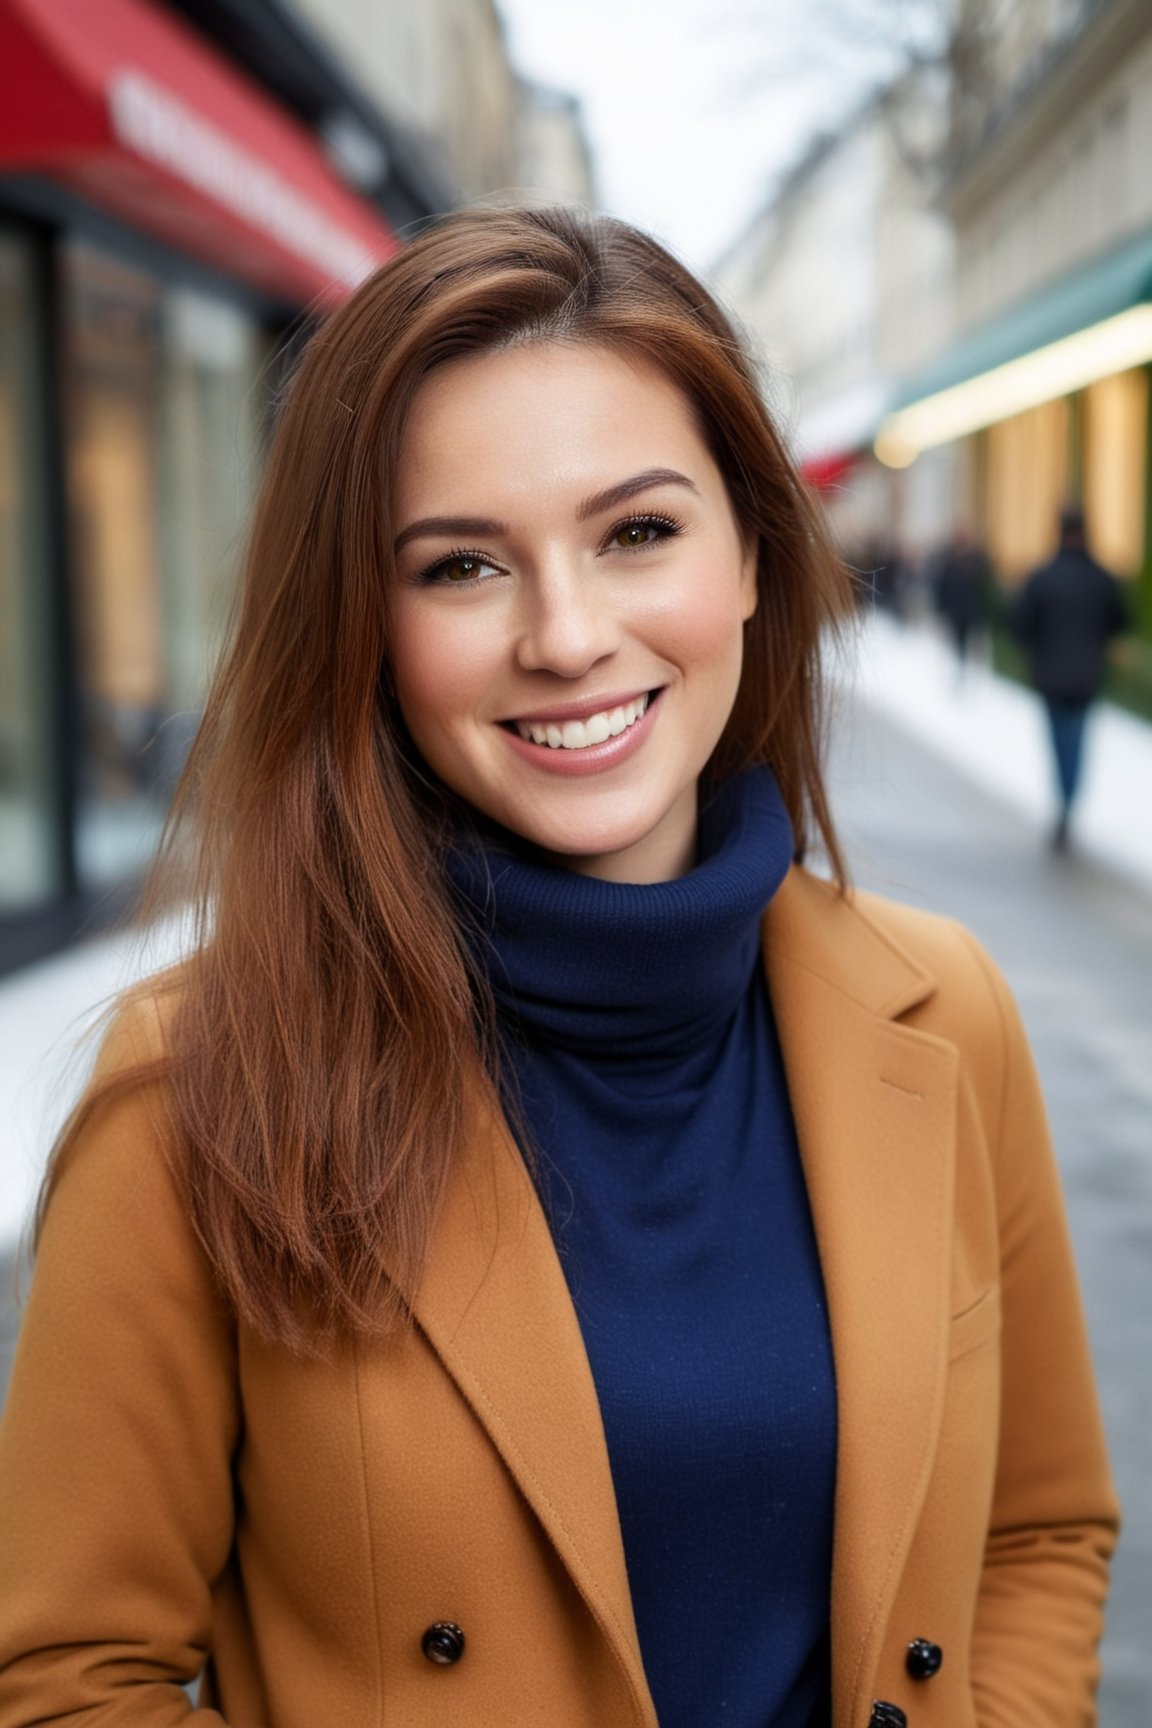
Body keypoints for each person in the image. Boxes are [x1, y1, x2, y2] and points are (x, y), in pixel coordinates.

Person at [0, 207, 1117, 1728]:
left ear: (750, 559)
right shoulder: (196, 1087)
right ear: (366, 627)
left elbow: (1037, 1531)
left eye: (638, 532)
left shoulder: (946, 1011)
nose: (569, 633)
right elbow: (64, 1679)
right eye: (463, 565)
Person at [1011, 506, 1128, 852]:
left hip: (1050, 674)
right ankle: (1069, 803)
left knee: (1059, 740)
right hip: (1086, 675)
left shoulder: (1043, 576)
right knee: (1076, 740)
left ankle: (1063, 803)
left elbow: (1020, 623)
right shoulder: (1101, 578)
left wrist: (1038, 649)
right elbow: (1119, 621)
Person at [932, 525, 993, 673]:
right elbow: (943, 585)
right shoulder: (950, 558)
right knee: (957, 643)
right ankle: (958, 668)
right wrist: (941, 608)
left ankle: (966, 669)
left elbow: (983, 588)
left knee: (970, 644)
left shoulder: (977, 559)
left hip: (970, 611)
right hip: (955, 610)